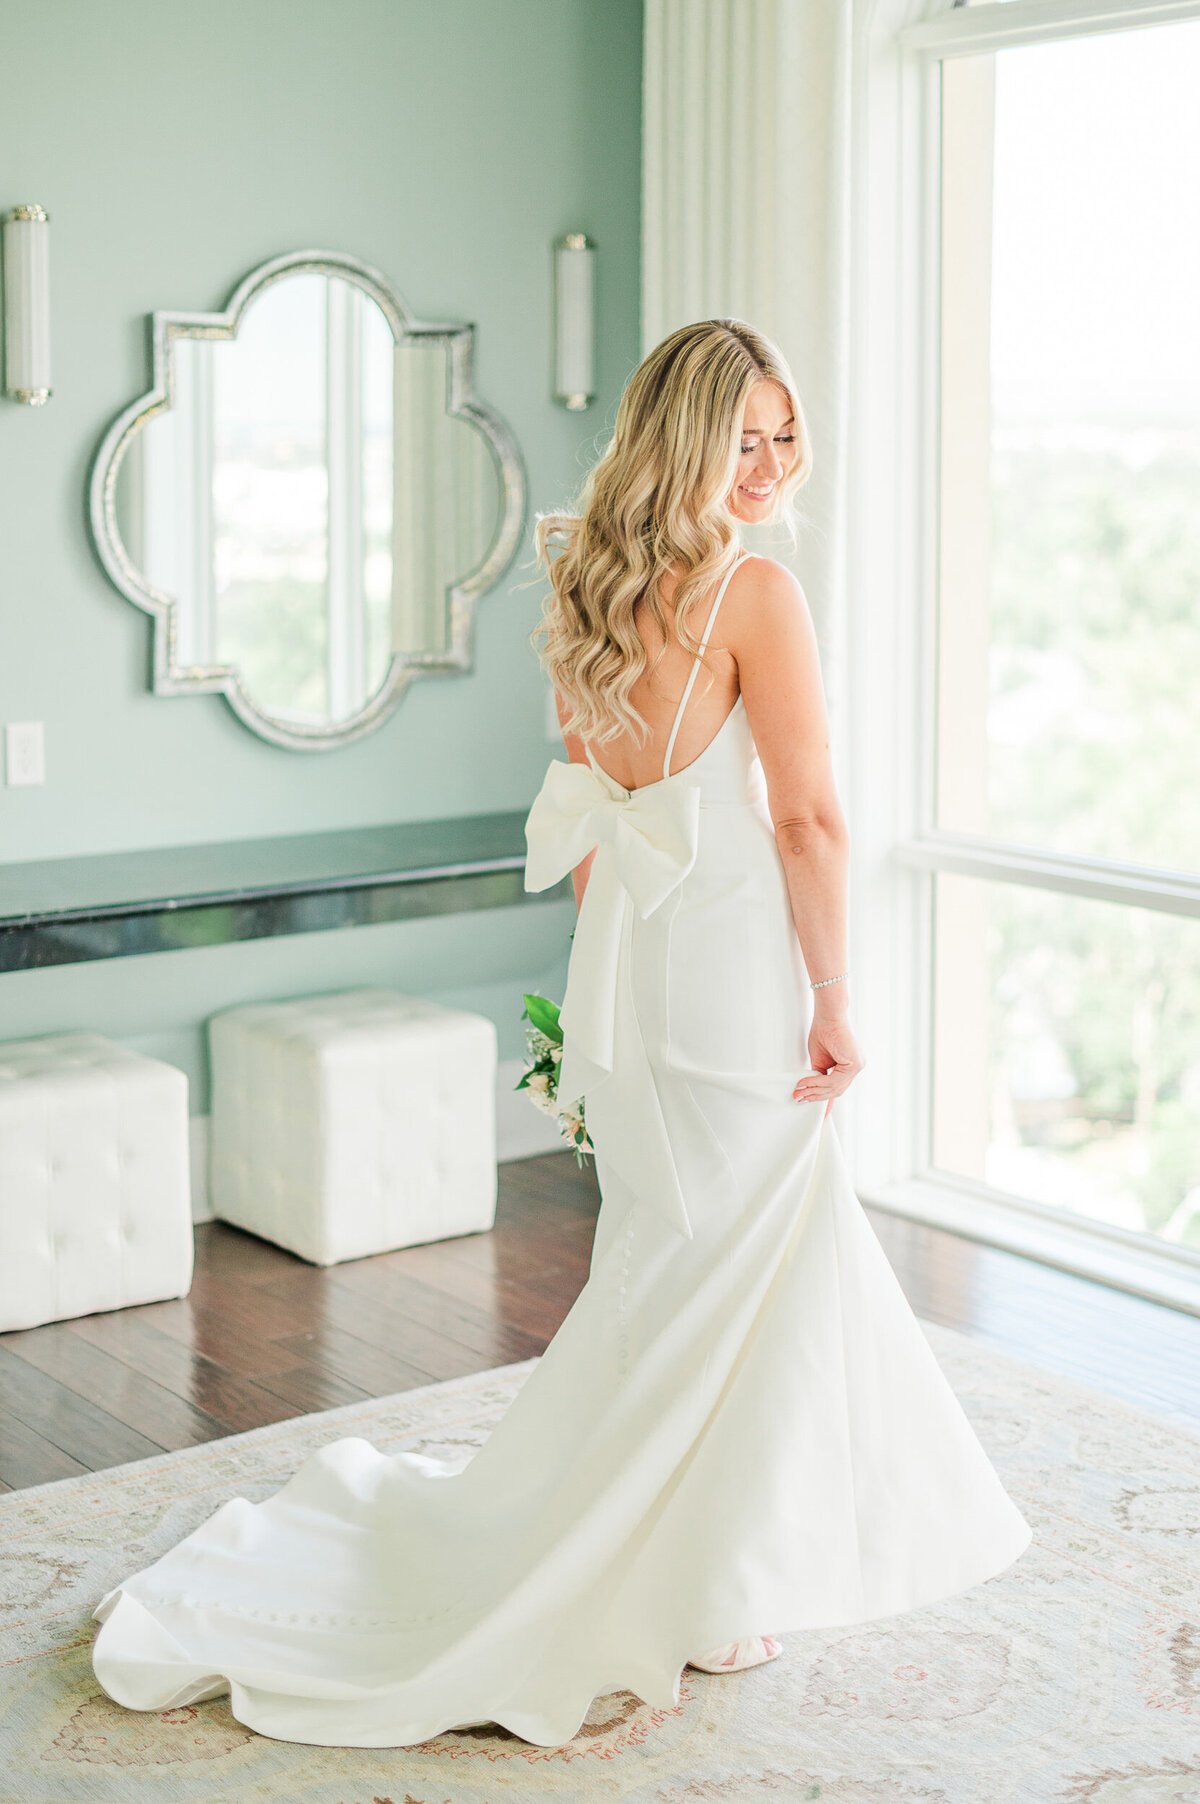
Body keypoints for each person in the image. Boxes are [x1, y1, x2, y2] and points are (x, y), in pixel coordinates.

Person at [88, 318, 1033, 1749]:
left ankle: (710, 1572)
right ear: (686, 438)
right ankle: (701, 1586)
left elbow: (596, 802)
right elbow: (805, 816)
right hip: (728, 980)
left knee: (677, 1259)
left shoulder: (588, 575)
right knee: (725, 1269)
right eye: (746, 436)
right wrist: (835, 995)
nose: (773, 463)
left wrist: (606, 981)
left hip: (640, 970)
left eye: (787, 435)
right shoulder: (754, 593)